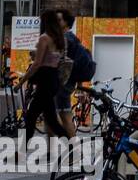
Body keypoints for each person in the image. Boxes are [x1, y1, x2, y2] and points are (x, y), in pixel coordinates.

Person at [18, 10, 70, 145]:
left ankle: (21, 152)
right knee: (50, 120)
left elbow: (36, 65)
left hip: (45, 81)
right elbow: (55, 61)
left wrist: (21, 82)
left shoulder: (44, 38)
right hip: (53, 81)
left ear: (45, 22)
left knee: (32, 117)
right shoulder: (60, 39)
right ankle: (73, 150)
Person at [55, 11, 95, 136]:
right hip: (69, 83)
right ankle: (74, 150)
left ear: (66, 23)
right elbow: (75, 62)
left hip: (62, 82)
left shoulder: (65, 38)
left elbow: (59, 60)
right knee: (65, 115)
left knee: (51, 115)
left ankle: (61, 146)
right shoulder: (73, 38)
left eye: (59, 20)